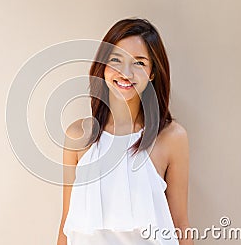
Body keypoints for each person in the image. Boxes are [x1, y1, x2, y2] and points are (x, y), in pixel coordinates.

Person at [57, 18, 193, 245]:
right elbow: (67, 225)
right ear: (103, 67)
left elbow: (179, 224)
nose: (125, 73)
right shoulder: (78, 137)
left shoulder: (172, 138)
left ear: (152, 73)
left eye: (139, 63)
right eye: (116, 60)